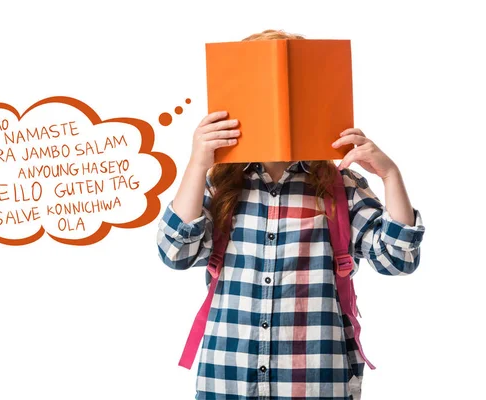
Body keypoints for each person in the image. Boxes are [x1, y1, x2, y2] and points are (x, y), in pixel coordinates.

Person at [156, 29, 426, 400]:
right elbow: (175, 253)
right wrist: (196, 163)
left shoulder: (340, 185)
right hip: (227, 380)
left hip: (317, 382)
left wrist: (391, 175)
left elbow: (399, 259)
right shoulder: (218, 184)